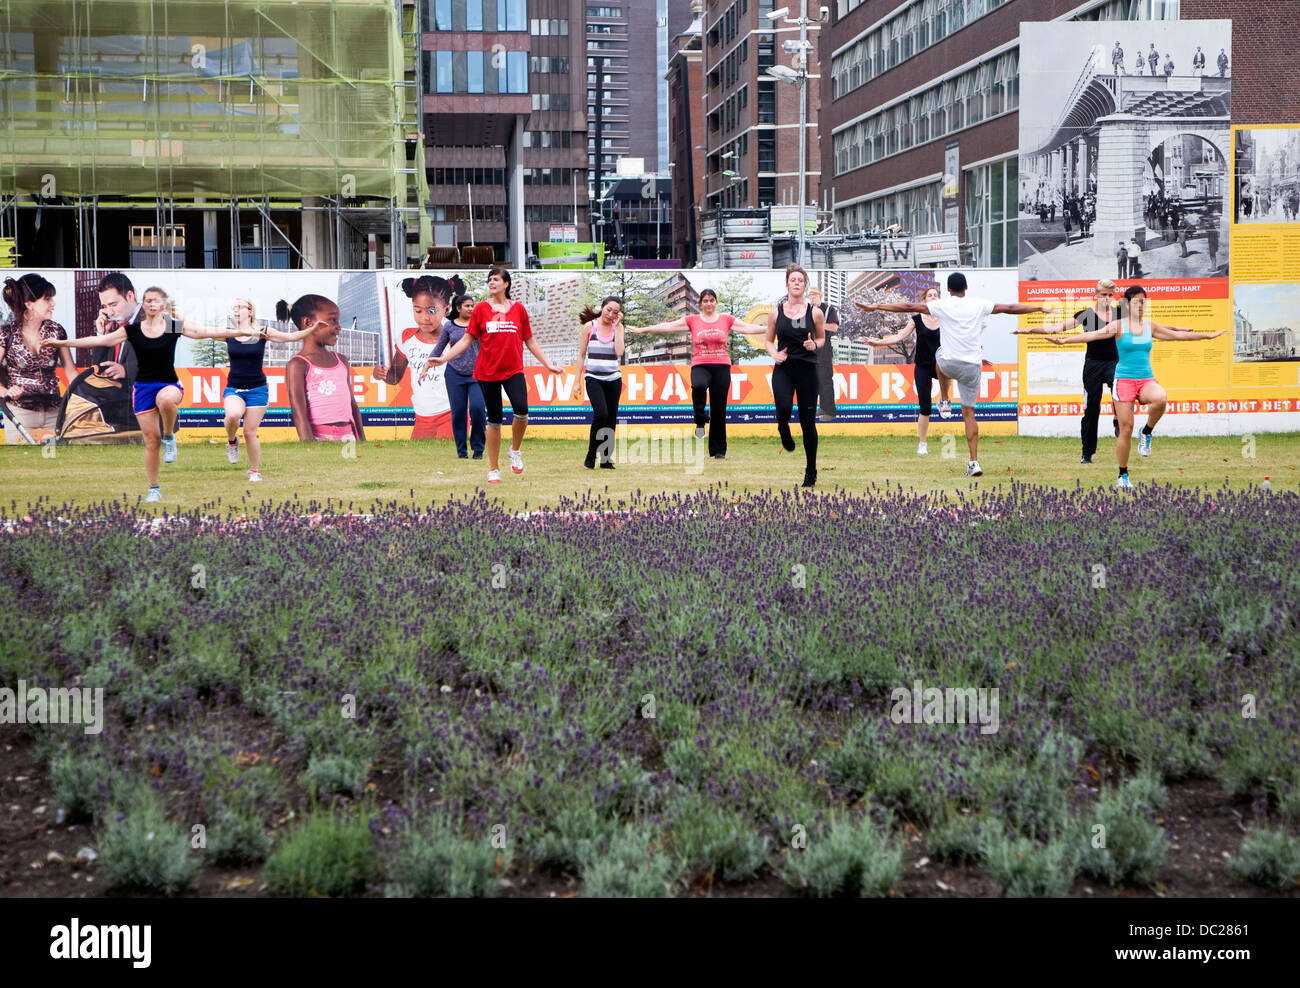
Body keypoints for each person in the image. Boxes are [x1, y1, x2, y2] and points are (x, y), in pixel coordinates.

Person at [45, 285, 252, 502]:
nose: (152, 304)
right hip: (142, 388)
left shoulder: (173, 327)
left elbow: (205, 332)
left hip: (169, 384)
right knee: (152, 442)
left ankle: (170, 436)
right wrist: (62, 343)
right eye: (148, 300)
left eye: (156, 300)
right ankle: (154, 488)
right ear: (143, 304)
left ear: (164, 305)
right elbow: (100, 340)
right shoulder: (132, 330)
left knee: (165, 400)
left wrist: (242, 332)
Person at [857, 272, 1049, 478]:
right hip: (971, 366)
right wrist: (1038, 307)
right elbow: (1010, 309)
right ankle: (974, 462)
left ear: (948, 290)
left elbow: (906, 306)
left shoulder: (942, 306)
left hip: (948, 364)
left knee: (940, 357)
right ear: (966, 287)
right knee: (969, 414)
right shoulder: (979, 304)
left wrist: (876, 306)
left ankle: (945, 399)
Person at [1044, 284, 1224, 489]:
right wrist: (1064, 341)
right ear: (1127, 305)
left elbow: (1177, 335)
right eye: (1137, 302)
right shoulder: (1118, 325)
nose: (1141, 305)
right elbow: (1090, 335)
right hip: (1124, 380)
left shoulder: (1150, 326)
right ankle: (1123, 475)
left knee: (1160, 398)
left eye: (1143, 302)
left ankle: (1146, 431)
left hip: (1146, 379)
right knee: (1125, 429)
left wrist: (1206, 336)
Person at [426, 267, 562, 484]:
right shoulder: (480, 309)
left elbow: (530, 341)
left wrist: (548, 364)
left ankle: (515, 450)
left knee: (522, 411)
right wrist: (444, 358)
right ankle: (493, 468)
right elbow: (466, 339)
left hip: (513, 370)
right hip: (487, 372)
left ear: (506, 284)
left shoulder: (519, 309)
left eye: (496, 279)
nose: (491, 282)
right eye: (490, 279)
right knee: (494, 421)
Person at [637, 289, 767, 459]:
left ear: (716, 302)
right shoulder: (693, 320)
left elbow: (748, 328)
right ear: (700, 304)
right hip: (701, 364)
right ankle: (699, 419)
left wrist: (771, 327)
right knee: (698, 387)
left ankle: (718, 450)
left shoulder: (726, 319)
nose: (708, 304)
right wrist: (644, 330)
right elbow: (668, 327)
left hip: (722, 366)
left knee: (719, 409)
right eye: (705, 301)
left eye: (711, 300)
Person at [1013, 279, 1122, 464]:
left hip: (1115, 362)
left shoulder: (1121, 313)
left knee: (1120, 396)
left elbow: (1143, 327)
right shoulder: (1086, 314)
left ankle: (1118, 419)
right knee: (1091, 409)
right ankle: (1087, 453)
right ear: (1095, 295)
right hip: (1093, 364)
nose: (1107, 298)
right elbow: (1057, 327)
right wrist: (1030, 330)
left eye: (1110, 295)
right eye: (1103, 295)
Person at [222, 298, 312, 482]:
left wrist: (313, 329)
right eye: (234, 308)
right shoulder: (229, 333)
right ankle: (232, 441)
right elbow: (199, 332)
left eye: (240, 307)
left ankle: (254, 471)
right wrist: (174, 320)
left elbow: (291, 337)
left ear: (250, 311)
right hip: (234, 388)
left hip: (258, 390)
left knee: (249, 432)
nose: (236, 311)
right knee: (232, 416)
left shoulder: (262, 332)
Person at [861, 286, 953, 455]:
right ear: (924, 300)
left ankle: (945, 400)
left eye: (936, 295)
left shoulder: (946, 318)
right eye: (930, 295)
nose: (933, 297)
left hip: (940, 364)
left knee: (948, 369)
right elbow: (898, 336)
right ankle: (923, 443)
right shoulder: (916, 319)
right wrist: (877, 342)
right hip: (923, 366)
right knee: (925, 406)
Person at [373, 274, 464, 443]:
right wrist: (381, 374)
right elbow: (394, 377)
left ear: (446, 309)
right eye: (418, 310)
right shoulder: (406, 338)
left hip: (452, 413)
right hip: (422, 418)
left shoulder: (457, 339)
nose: (424, 317)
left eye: (431, 310)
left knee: (451, 458)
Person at [766, 264, 825, 488]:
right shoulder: (776, 312)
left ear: (805, 284)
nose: (797, 283)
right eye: (793, 279)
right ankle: (783, 429)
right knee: (783, 408)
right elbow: (768, 340)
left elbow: (821, 339)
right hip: (784, 368)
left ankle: (811, 471)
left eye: (801, 280)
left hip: (808, 369)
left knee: (807, 421)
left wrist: (814, 345)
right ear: (787, 284)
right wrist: (774, 354)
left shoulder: (815, 312)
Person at [1, 274, 78, 444]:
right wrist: (5, 391)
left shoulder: (57, 331)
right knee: (24, 463)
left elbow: (71, 372)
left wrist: (85, 398)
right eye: (47, 298)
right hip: (19, 414)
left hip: (54, 412)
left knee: (52, 461)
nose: (53, 303)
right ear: (29, 304)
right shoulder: (6, 334)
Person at [284, 294, 366, 444]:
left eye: (338, 321)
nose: (339, 327)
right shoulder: (298, 364)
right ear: (308, 323)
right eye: (332, 320)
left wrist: (362, 441)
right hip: (318, 438)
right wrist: (309, 448)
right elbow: (299, 413)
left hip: (349, 438)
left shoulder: (341, 361)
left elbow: (352, 405)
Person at [573, 297, 626, 470]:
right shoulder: (590, 327)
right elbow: (581, 355)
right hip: (593, 378)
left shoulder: (618, 328)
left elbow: (619, 352)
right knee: (601, 414)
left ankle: (605, 459)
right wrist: (577, 382)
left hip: (613, 379)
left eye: (615, 312)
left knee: (611, 418)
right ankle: (591, 454)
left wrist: (617, 326)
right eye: (608, 309)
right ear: (602, 308)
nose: (610, 314)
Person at [435, 292, 487, 459]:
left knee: (478, 410)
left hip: (477, 375)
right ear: (458, 308)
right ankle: (461, 451)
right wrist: (427, 365)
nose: (471, 309)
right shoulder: (449, 326)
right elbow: (438, 348)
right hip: (454, 374)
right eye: (467, 306)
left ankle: (478, 449)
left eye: (472, 305)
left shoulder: (479, 324)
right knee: (458, 413)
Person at [808, 287, 841, 422]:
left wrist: (819, 324)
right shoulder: (806, 310)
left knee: (825, 378)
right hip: (810, 346)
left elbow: (834, 327)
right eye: (809, 297)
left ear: (820, 297)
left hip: (824, 348)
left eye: (814, 296)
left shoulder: (829, 309)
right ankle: (822, 407)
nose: (811, 299)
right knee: (814, 379)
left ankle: (830, 411)